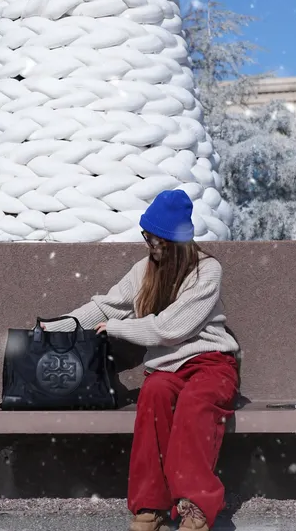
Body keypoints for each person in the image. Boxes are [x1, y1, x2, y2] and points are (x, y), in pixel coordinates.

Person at [44, 189, 240, 531]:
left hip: (211, 363)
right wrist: (59, 327)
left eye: (156, 238)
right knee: (153, 396)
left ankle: (195, 505)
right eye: (147, 236)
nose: (150, 244)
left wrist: (120, 329)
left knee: (195, 405)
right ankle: (151, 507)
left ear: (175, 239)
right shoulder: (143, 270)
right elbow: (106, 306)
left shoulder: (207, 271)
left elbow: (171, 329)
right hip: (166, 367)